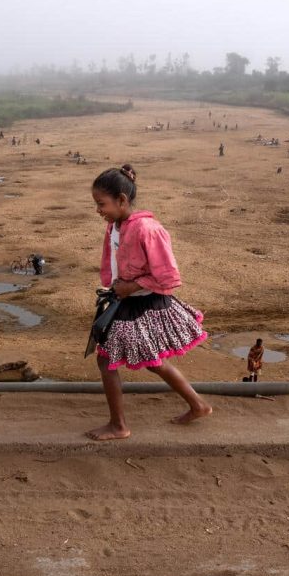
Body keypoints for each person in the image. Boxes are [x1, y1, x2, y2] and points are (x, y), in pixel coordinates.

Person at [86, 164, 211, 441]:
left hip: (144, 304)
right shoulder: (115, 226)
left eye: (101, 204)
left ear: (121, 200)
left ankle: (119, 426)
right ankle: (198, 405)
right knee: (152, 361)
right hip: (127, 302)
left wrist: (132, 285)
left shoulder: (148, 228)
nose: (98, 210)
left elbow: (168, 275)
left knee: (107, 361)